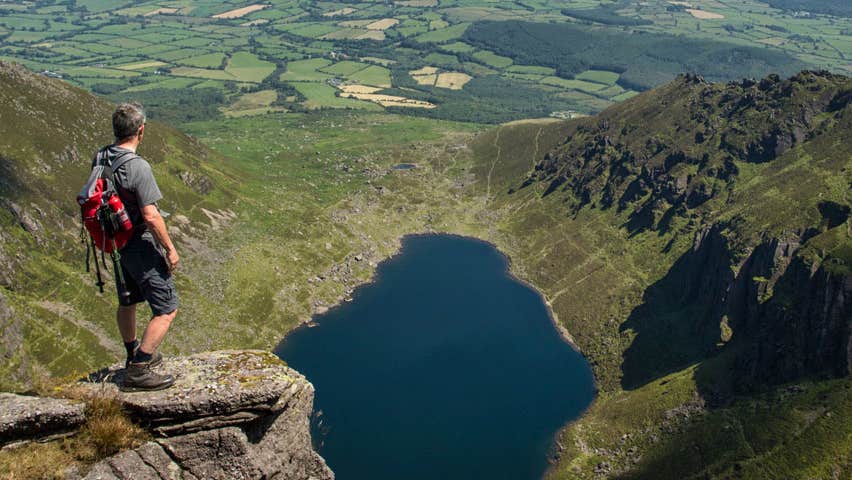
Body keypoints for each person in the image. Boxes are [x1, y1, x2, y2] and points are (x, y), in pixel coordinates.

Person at [94, 103, 180, 392]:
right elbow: (151, 216)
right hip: (139, 244)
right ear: (140, 130)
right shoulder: (137, 167)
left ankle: (132, 352)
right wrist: (170, 248)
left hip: (116, 244)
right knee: (167, 309)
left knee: (128, 301)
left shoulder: (102, 156)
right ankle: (140, 368)